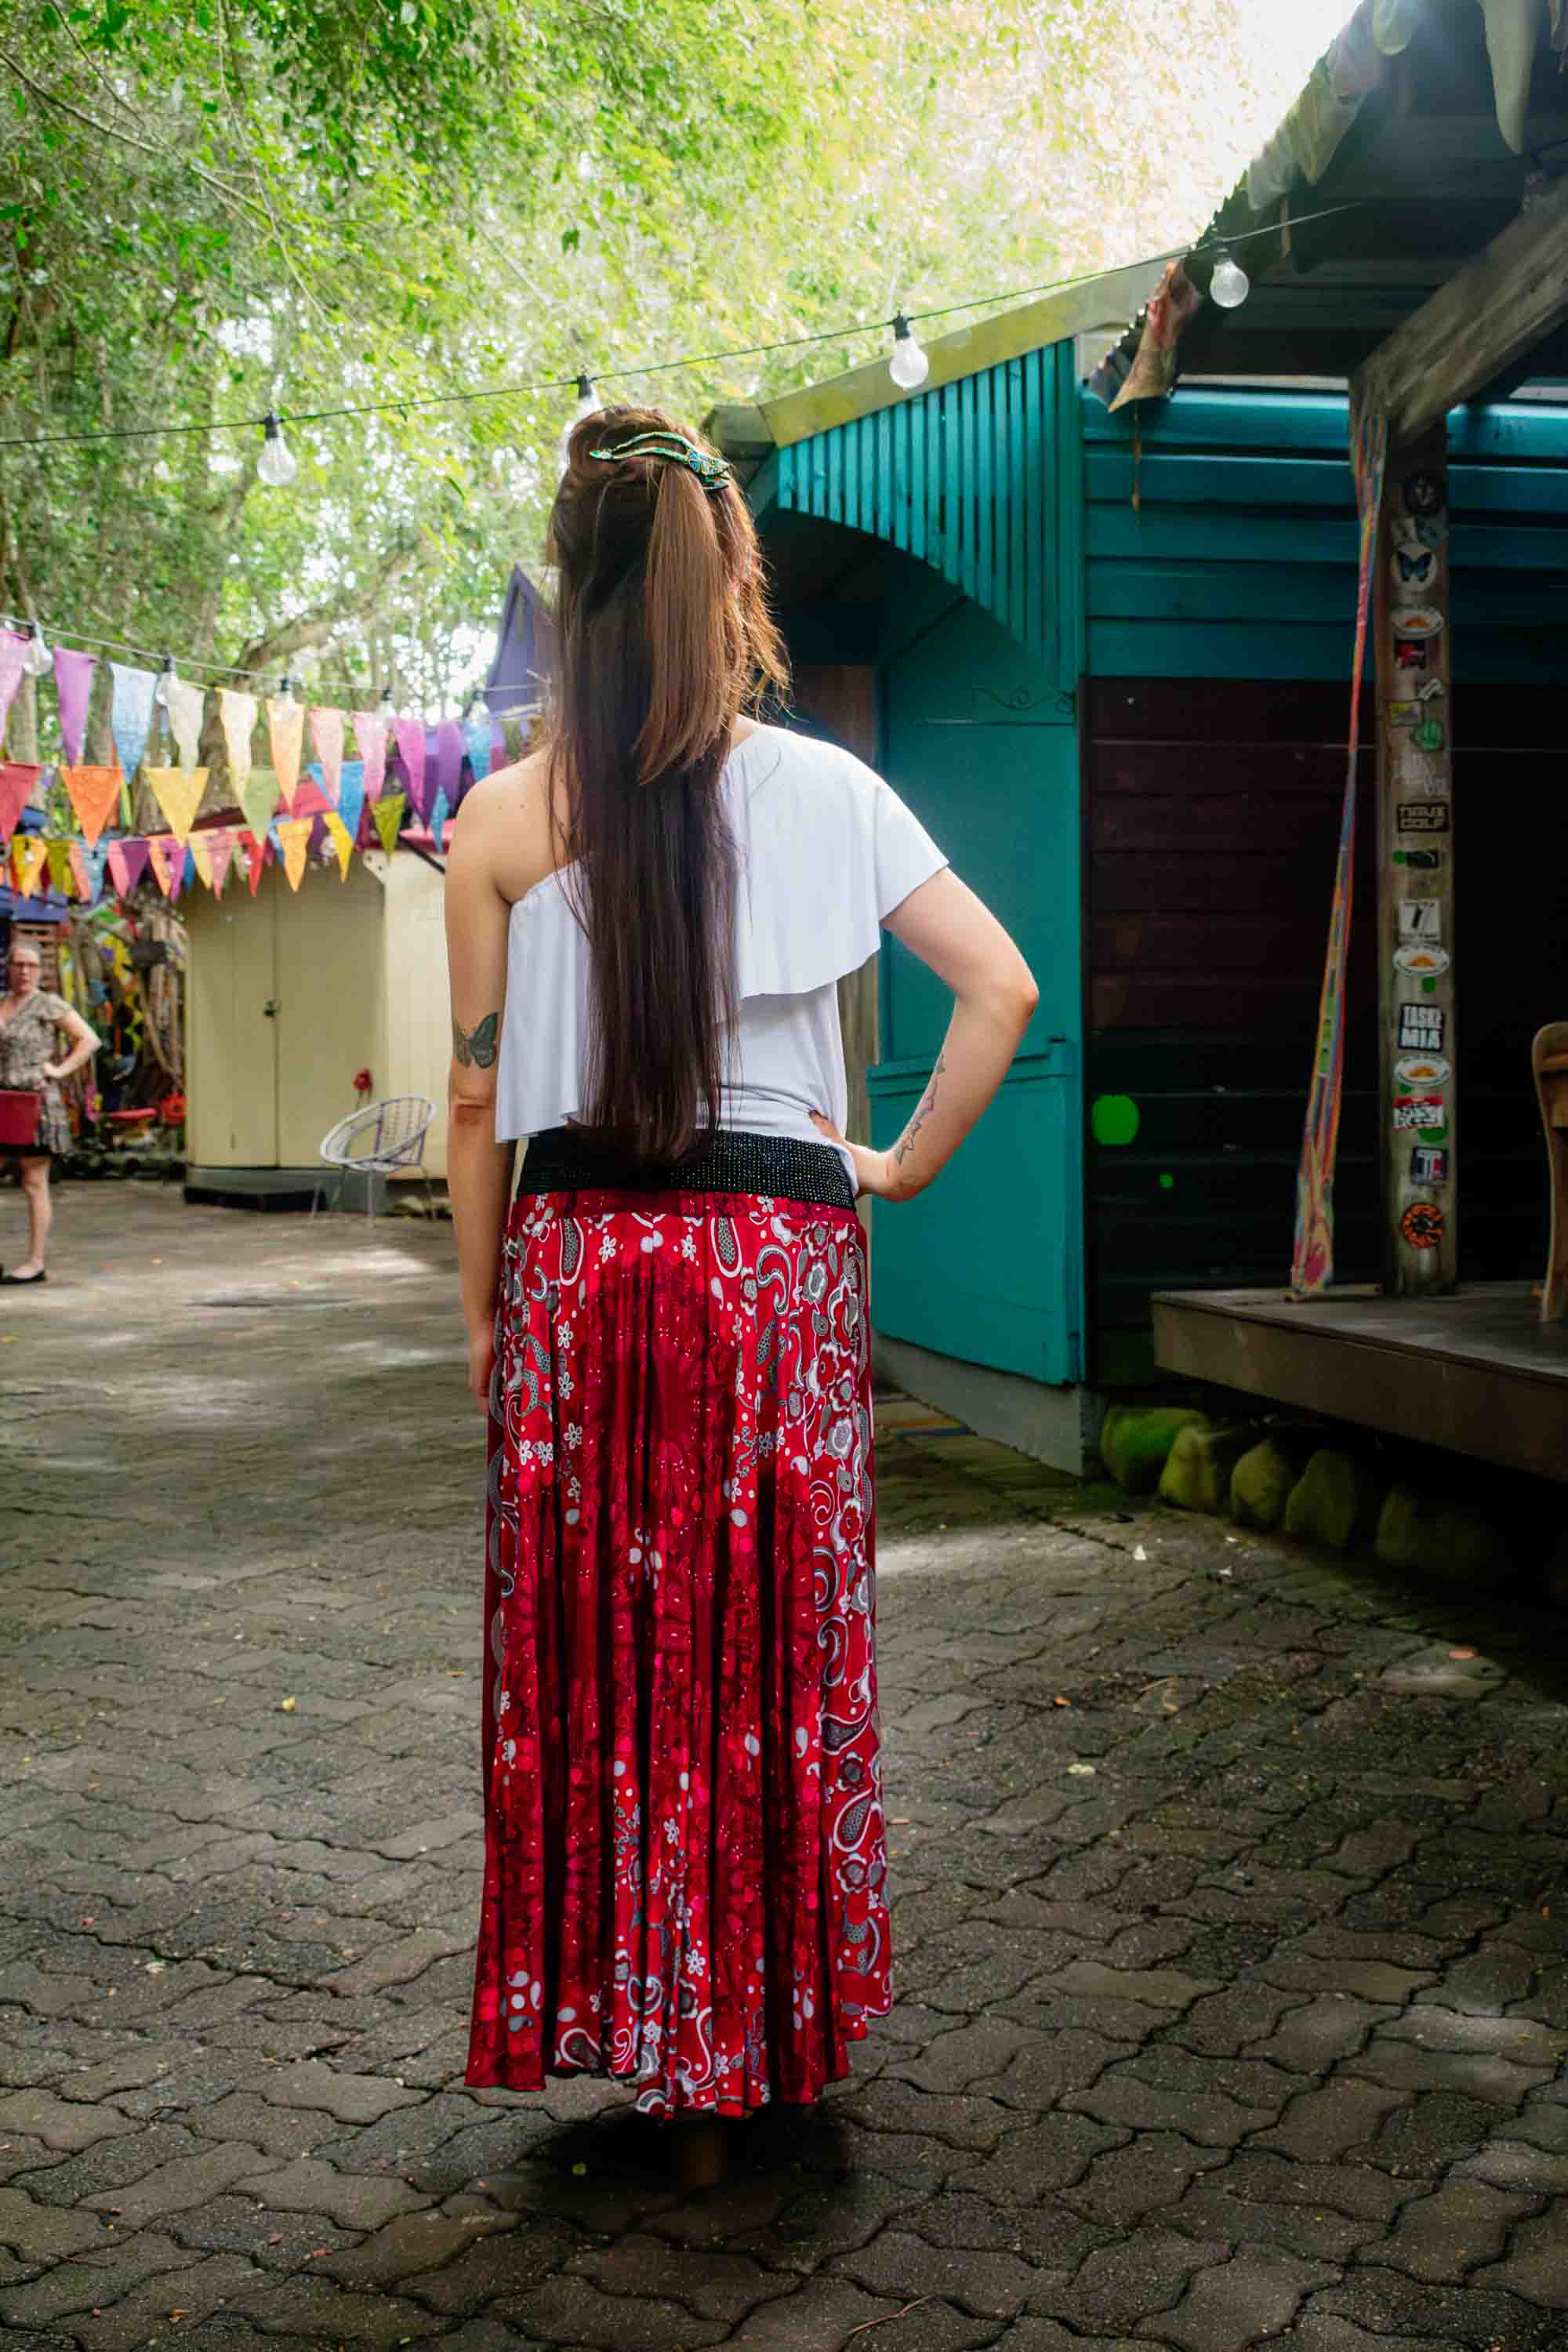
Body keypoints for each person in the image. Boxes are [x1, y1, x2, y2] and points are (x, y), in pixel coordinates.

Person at [444, 407, 1036, 2186]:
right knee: (767, 1651)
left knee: (612, 1660)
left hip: (578, 1264)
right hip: (771, 1263)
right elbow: (999, 989)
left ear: (572, 591)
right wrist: (895, 1167)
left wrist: (482, 1322)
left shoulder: (500, 818)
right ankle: (757, 2037)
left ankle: (643, 2037)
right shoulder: (827, 790)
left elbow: (473, 1106)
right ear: (727, 580)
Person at [0, 936, 100, 1285]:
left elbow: (89, 1039)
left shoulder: (47, 1004)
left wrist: (59, 1070)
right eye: (18, 964)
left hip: (34, 1102)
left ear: (40, 970)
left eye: (31, 965)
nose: (24, 971)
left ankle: (35, 1262)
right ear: (8, 968)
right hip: (3, 1100)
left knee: (33, 1181)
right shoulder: (2, 1004)